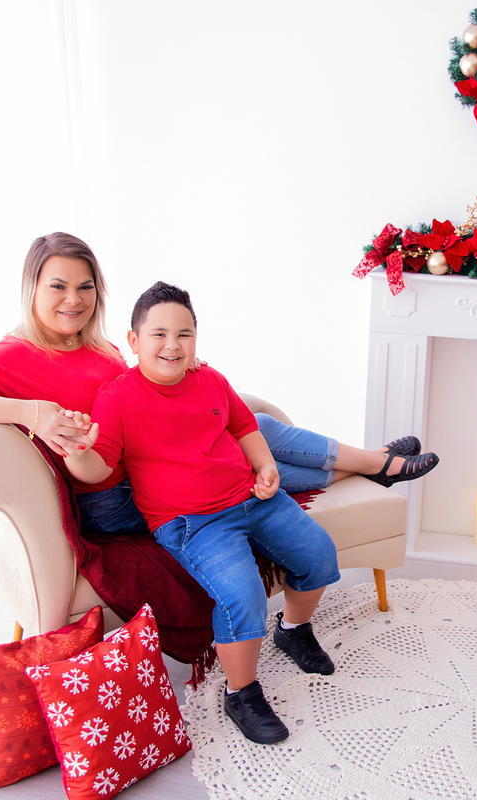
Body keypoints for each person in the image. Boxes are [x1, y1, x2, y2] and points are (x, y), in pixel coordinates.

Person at [0, 232, 439, 537]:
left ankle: (374, 464)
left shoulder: (101, 347)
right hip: (118, 492)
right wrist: (32, 414)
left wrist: (179, 366)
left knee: (247, 426)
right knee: (239, 452)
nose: (74, 299)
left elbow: (144, 394)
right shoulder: (13, 354)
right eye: (58, 286)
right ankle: (376, 463)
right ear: (32, 290)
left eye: (86, 287)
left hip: (157, 450)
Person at [62, 282, 339, 744]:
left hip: (251, 498)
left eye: (184, 334)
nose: (172, 345)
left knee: (318, 554)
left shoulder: (210, 379)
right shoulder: (117, 397)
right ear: (133, 341)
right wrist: (77, 451)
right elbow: (97, 468)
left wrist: (266, 465)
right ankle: (241, 693)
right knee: (242, 593)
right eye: (159, 334)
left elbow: (243, 425)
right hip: (191, 523)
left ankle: (293, 629)